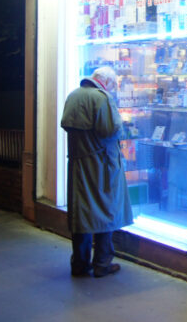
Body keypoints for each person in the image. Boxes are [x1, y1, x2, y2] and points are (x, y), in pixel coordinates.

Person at [60, 66, 133, 278]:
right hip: (101, 165)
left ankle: (80, 264)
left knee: (82, 214)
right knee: (105, 211)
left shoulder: (73, 95)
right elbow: (112, 131)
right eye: (113, 85)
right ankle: (102, 262)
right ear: (107, 82)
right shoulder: (102, 98)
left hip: (78, 164)